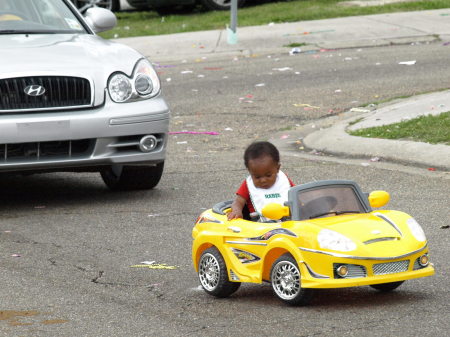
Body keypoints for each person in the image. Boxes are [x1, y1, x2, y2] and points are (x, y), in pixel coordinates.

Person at [227, 141, 295, 221]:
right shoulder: (248, 184)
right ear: (250, 171)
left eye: (268, 175)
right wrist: (236, 211)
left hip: (287, 223)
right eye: (257, 177)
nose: (263, 180)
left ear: (277, 168)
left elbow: (298, 195)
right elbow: (238, 202)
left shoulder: (283, 180)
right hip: (259, 225)